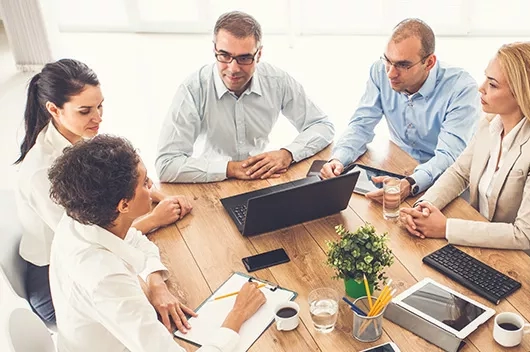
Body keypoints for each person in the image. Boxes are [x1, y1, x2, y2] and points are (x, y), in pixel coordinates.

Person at [14, 59, 192, 326]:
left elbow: (120, 181)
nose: (98, 118)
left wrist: (161, 197)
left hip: (90, 254)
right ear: (54, 109)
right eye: (86, 111)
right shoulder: (41, 172)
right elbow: (89, 237)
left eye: (100, 106)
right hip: (56, 280)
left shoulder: (80, 135)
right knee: (162, 308)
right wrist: (155, 219)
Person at [48, 134, 266, 351]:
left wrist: (156, 284)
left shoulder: (79, 216)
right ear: (123, 205)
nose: (152, 185)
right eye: (144, 183)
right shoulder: (106, 279)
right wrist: (237, 316)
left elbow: (137, 241)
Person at [399, 42, 530, 255]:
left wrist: (445, 228)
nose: (481, 87)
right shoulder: (489, 123)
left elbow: (524, 234)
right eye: (486, 78)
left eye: (493, 85)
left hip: (523, 259)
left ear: (522, 94)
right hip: (478, 244)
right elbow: (459, 173)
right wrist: (424, 207)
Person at [155, 11, 334, 183]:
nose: (233, 69)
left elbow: (322, 126)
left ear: (259, 55)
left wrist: (288, 153)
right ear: (214, 50)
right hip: (209, 183)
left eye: (244, 58)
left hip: (262, 180)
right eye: (224, 55)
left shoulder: (277, 81)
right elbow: (166, 164)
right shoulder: (193, 89)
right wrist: (230, 168)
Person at [320, 18, 480, 203]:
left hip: (446, 179)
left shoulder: (461, 87)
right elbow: (361, 125)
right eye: (388, 60)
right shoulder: (380, 71)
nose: (390, 73)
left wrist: (410, 183)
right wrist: (338, 159)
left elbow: (450, 156)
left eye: (403, 65)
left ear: (429, 63)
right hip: (398, 167)